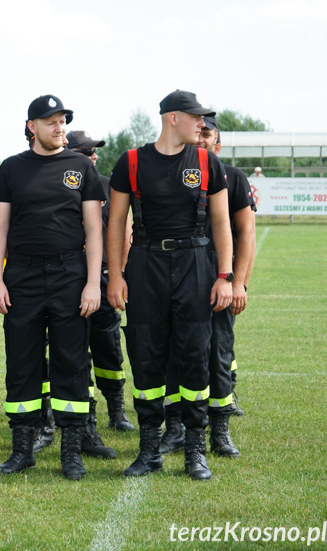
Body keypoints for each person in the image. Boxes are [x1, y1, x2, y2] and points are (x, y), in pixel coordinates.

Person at [107, 90, 233, 481]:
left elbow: (221, 224)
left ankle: (195, 450)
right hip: (146, 264)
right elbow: (115, 225)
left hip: (196, 263)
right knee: (145, 354)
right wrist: (116, 275)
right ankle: (149, 450)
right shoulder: (131, 162)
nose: (203, 124)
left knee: (195, 354)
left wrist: (224, 276)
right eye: (196, 117)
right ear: (172, 118)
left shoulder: (207, 161)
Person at [0, 96, 104, 480]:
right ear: (31, 126)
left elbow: (93, 229)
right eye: (51, 122)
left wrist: (92, 283)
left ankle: (71, 453)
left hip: (70, 274)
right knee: (22, 362)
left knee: (71, 362)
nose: (59, 128)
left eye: (62, 122)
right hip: (21, 276)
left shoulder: (79, 167)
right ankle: (22, 450)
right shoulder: (11, 169)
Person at [160, 116, 255, 458]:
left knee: (217, 353)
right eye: (197, 131)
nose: (200, 137)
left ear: (217, 141)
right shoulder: (172, 169)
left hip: (218, 278)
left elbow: (246, 232)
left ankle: (220, 429)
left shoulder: (231, 176)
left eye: (207, 133)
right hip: (179, 274)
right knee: (174, 352)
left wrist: (237, 281)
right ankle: (174, 427)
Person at [66, 130, 135, 433]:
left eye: (94, 151)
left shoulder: (109, 187)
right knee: (72, 351)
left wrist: (116, 275)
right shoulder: (61, 188)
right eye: (86, 152)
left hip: (105, 279)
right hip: (67, 281)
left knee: (108, 348)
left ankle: (116, 410)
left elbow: (126, 234)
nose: (93, 156)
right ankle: (85, 414)